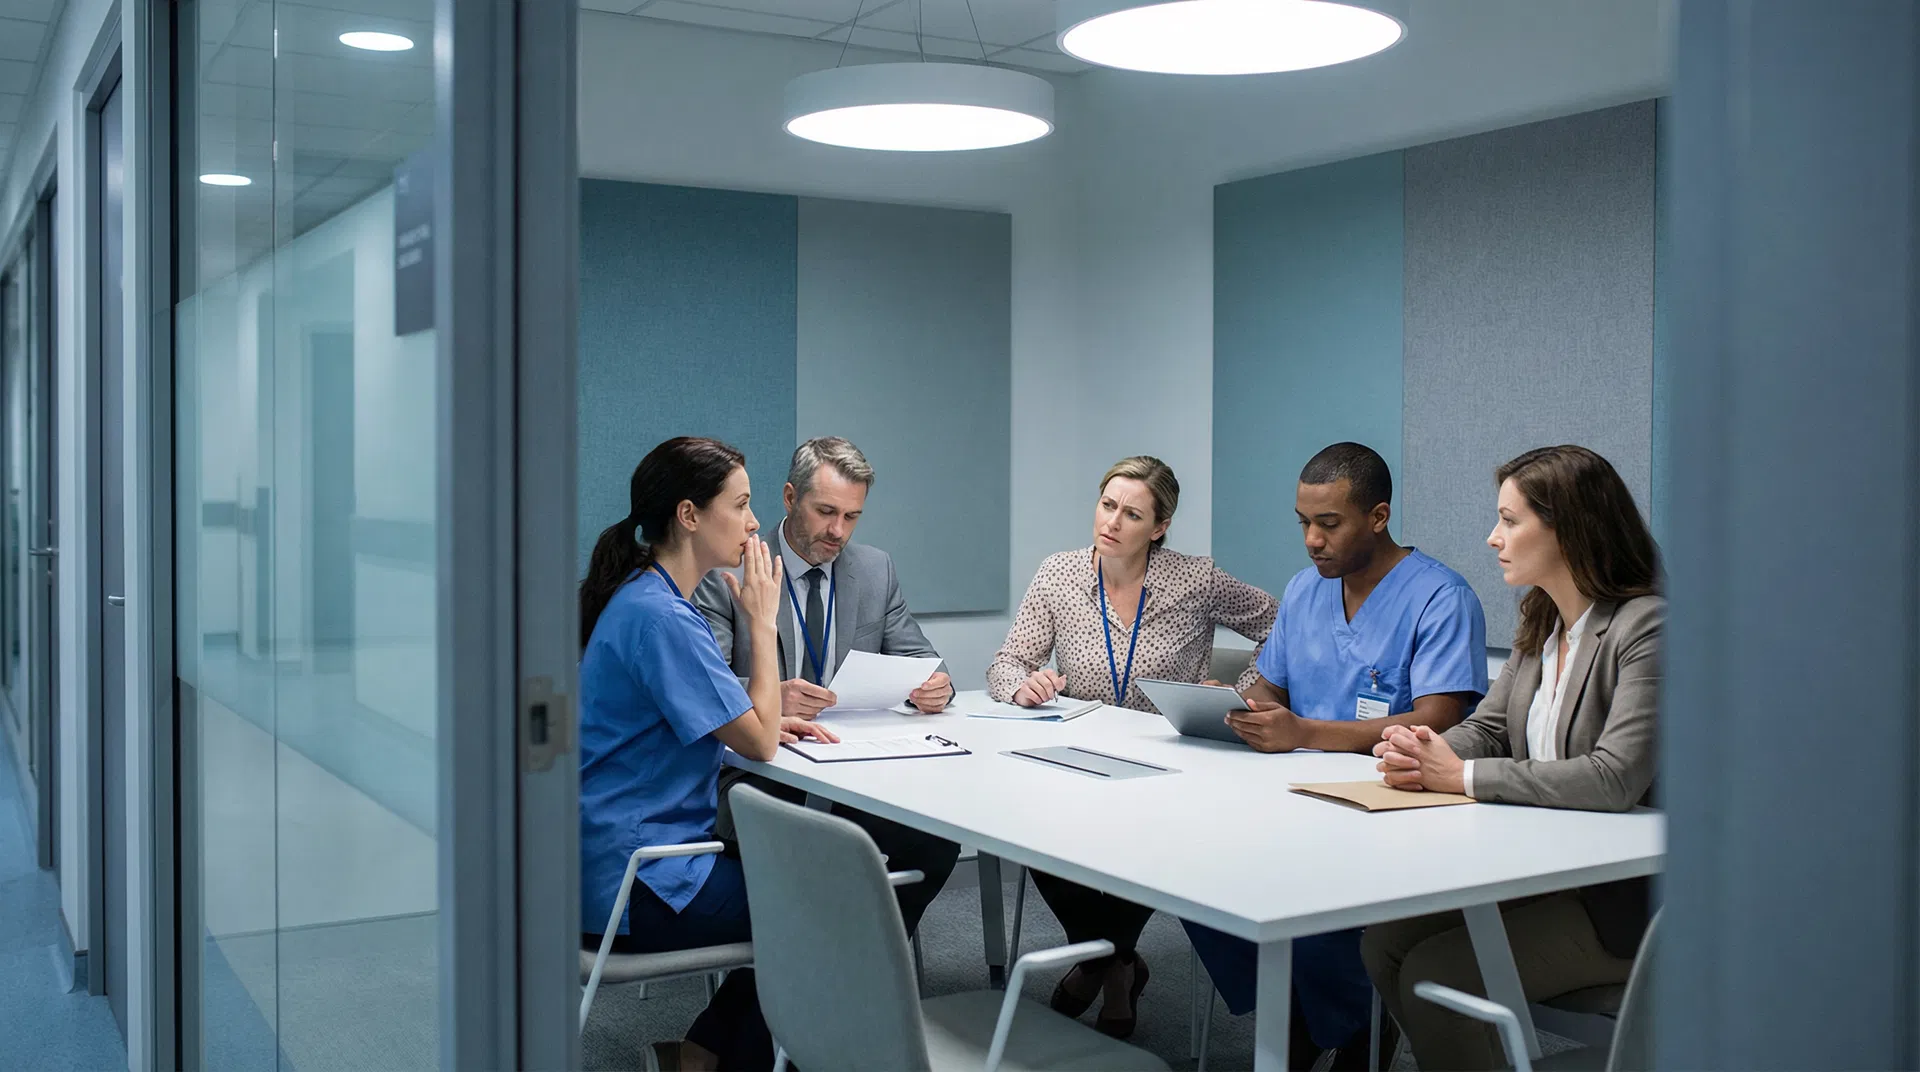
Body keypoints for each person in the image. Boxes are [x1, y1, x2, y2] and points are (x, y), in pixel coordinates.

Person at [1182, 441, 1489, 1070]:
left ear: (1377, 517)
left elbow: (1440, 719)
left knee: (1315, 911)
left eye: (1329, 524)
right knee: (1196, 884)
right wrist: (1232, 705)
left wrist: (1304, 733)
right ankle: (1303, 1017)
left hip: (1391, 804)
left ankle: (1352, 1027)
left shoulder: (1440, 597)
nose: (1312, 541)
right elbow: (1270, 689)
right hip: (1293, 795)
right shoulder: (1303, 591)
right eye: (1304, 523)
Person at [1361, 445, 1662, 1072]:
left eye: (1510, 520)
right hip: (1542, 873)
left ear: (1570, 527)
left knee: (1436, 974)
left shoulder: (1648, 628)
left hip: (1624, 904)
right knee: (1384, 943)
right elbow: (1491, 729)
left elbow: (1615, 778)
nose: (1493, 537)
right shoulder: (1544, 617)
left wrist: (1460, 775)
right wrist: (1425, 750)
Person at [986, 455, 1279, 1039]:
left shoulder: (1195, 579)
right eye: (1107, 505)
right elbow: (1007, 660)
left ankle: (1104, 964)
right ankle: (1113, 962)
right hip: (1076, 760)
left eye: (1133, 513)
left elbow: (1282, 627)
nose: (1113, 521)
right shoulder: (1059, 574)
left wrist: (1243, 691)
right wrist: (1023, 683)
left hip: (1167, 763)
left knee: (1152, 842)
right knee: (1027, 825)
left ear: (1160, 526)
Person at [578, 437, 835, 1072]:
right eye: (742, 505)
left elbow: (738, 722)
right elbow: (760, 741)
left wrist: (758, 714)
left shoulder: (643, 595)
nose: (753, 523)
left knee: (801, 886)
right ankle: (715, 1057)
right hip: (638, 881)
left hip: (603, 864)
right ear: (689, 515)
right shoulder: (664, 617)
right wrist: (761, 621)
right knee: (829, 909)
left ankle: (703, 1054)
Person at [694, 436, 960, 933]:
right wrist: (771, 693)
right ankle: (824, 963)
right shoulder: (732, 564)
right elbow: (706, 685)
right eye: (825, 512)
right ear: (791, 498)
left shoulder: (874, 569)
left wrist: (935, 684)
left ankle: (868, 957)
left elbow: (922, 657)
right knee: (823, 847)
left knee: (934, 843)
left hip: (852, 769)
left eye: (852, 516)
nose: (838, 531)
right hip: (760, 773)